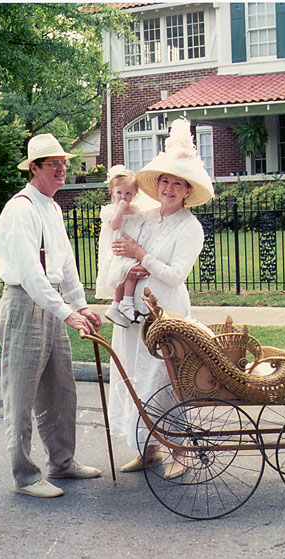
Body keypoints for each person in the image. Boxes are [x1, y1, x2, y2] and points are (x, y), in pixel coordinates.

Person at [0, 133, 103, 498]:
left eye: (64, 162)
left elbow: (64, 263)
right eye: (53, 163)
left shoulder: (53, 208)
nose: (62, 169)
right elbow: (29, 273)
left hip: (52, 301)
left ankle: (62, 461)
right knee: (22, 393)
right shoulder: (21, 209)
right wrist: (66, 312)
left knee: (61, 387)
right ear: (35, 168)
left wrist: (80, 303)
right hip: (25, 304)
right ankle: (24, 476)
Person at [107, 118, 214, 479]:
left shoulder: (190, 227)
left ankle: (180, 449)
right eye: (165, 181)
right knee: (137, 378)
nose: (169, 187)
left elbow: (174, 273)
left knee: (166, 380)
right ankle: (148, 448)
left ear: (187, 190)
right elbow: (117, 249)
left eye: (177, 183)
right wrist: (128, 266)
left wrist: (140, 255)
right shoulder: (145, 217)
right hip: (135, 312)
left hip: (167, 312)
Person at [94, 165, 148, 328]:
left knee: (131, 274)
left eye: (128, 193)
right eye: (119, 193)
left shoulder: (136, 210)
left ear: (135, 194)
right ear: (112, 192)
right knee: (126, 275)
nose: (123, 197)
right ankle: (124, 304)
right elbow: (115, 226)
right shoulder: (110, 210)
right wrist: (120, 210)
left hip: (130, 250)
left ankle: (118, 306)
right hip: (118, 252)